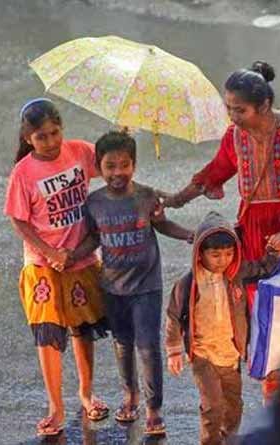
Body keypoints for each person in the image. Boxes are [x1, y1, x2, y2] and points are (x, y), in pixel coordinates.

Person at [162, 61, 280, 400]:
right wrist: (174, 200)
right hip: (259, 238)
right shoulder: (235, 137)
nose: (233, 116)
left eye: (240, 110)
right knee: (267, 313)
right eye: (229, 109)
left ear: (264, 105)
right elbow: (215, 172)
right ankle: (278, 389)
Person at [72, 131, 193, 436]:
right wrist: (69, 257)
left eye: (124, 165)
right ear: (99, 167)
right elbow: (93, 238)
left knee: (148, 347)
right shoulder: (94, 202)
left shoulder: (146, 196)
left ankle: (154, 409)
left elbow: (163, 224)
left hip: (146, 286)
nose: (117, 173)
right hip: (113, 287)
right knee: (122, 345)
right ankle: (131, 395)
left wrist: (190, 235)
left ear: (134, 165)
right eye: (109, 166)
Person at [4, 98, 109, 437]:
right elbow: (19, 221)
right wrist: (49, 251)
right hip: (42, 263)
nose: (50, 142)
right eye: (41, 137)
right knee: (48, 333)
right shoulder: (24, 172)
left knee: (82, 329)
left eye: (54, 133)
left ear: (62, 128)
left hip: (80, 258)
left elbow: (109, 164)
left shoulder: (78, 151)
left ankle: (87, 393)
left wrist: (120, 139)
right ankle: (56, 405)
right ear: (27, 138)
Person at [165, 211, 280, 445]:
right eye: (215, 255)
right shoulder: (188, 283)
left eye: (229, 254)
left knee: (234, 404)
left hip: (230, 355)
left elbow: (263, 268)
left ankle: (228, 439)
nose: (223, 260)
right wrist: (174, 350)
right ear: (200, 254)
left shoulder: (235, 274)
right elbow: (174, 316)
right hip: (202, 354)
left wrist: (275, 252)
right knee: (213, 405)